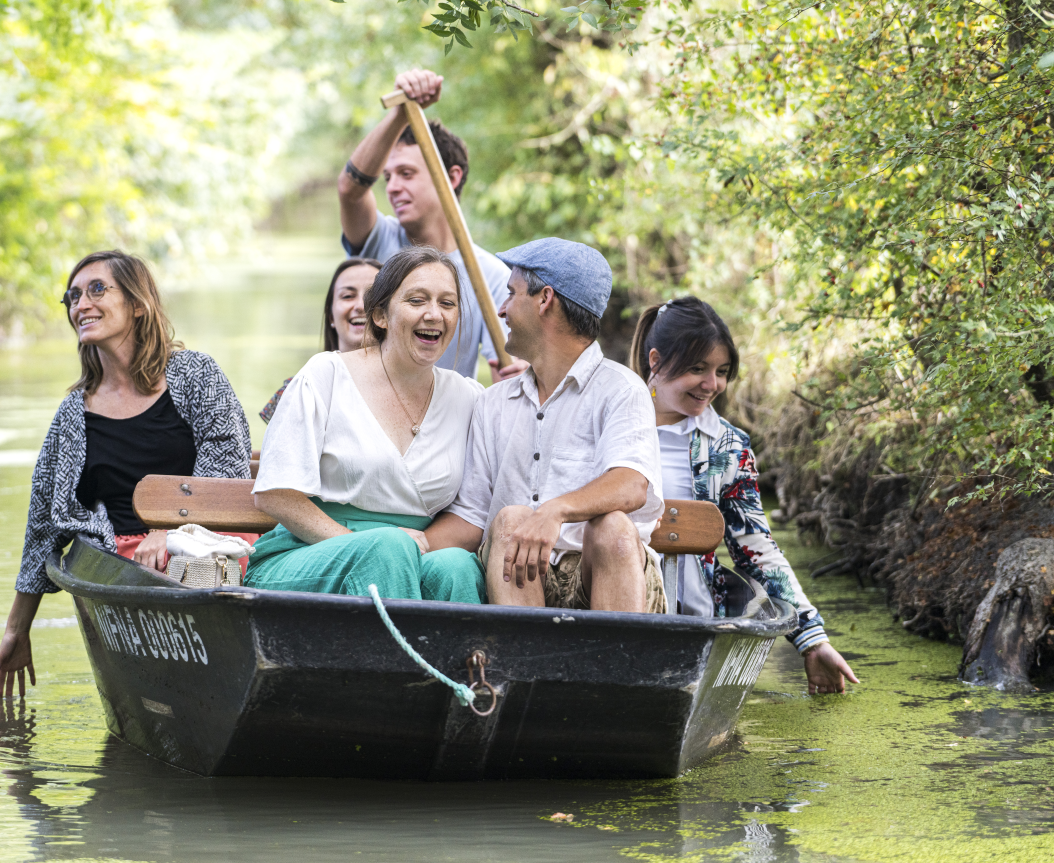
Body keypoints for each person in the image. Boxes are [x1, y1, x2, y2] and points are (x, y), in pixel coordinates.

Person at [0, 251, 252, 697]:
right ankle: (173, 695)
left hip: (209, 540)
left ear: (137, 303)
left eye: (97, 289)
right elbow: (43, 524)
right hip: (124, 562)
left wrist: (171, 528)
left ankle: (225, 688)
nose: (81, 305)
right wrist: (17, 629)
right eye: (72, 297)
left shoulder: (194, 374)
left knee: (205, 570)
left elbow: (229, 456)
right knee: (146, 578)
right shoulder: (74, 414)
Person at [630, 296, 860, 695]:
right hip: (607, 608)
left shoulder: (728, 449)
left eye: (721, 372)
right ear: (655, 360)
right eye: (697, 368)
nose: (711, 385)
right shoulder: (607, 423)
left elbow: (757, 550)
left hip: (693, 620)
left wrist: (812, 640)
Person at [426, 238, 667, 613]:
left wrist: (555, 511)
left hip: (607, 572)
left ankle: (617, 667)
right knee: (510, 520)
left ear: (545, 299)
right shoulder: (492, 403)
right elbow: (472, 518)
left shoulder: (622, 389)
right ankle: (523, 670)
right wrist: (408, 546)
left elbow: (632, 484)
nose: (502, 309)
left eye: (511, 294)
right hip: (518, 572)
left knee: (612, 529)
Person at [246, 246, 485, 603]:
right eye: (417, 300)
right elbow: (274, 494)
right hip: (310, 552)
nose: (434, 314)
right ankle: (397, 661)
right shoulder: (325, 375)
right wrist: (375, 544)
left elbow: (474, 513)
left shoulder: (469, 397)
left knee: (457, 566)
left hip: (415, 551)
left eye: (447, 304)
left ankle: (467, 661)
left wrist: (412, 548)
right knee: (386, 550)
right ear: (381, 316)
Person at [338, 68, 528, 382]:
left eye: (406, 174)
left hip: (444, 425)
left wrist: (518, 377)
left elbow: (506, 374)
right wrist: (402, 112)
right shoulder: (378, 239)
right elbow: (350, 189)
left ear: (451, 177)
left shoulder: (491, 275)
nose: (393, 187)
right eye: (388, 177)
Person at [259, 256, 382, 423]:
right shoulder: (301, 389)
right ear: (331, 315)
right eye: (347, 296)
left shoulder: (410, 389)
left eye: (372, 296)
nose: (360, 306)